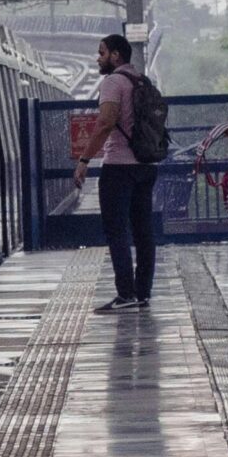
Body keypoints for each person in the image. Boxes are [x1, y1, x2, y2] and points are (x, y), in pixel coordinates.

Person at [70, 34, 155, 313]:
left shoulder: (113, 82)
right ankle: (142, 292)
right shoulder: (142, 81)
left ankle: (125, 293)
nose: (98, 57)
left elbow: (106, 122)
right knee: (143, 231)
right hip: (145, 164)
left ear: (116, 55)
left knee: (117, 231)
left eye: (102, 52)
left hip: (119, 166)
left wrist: (84, 159)